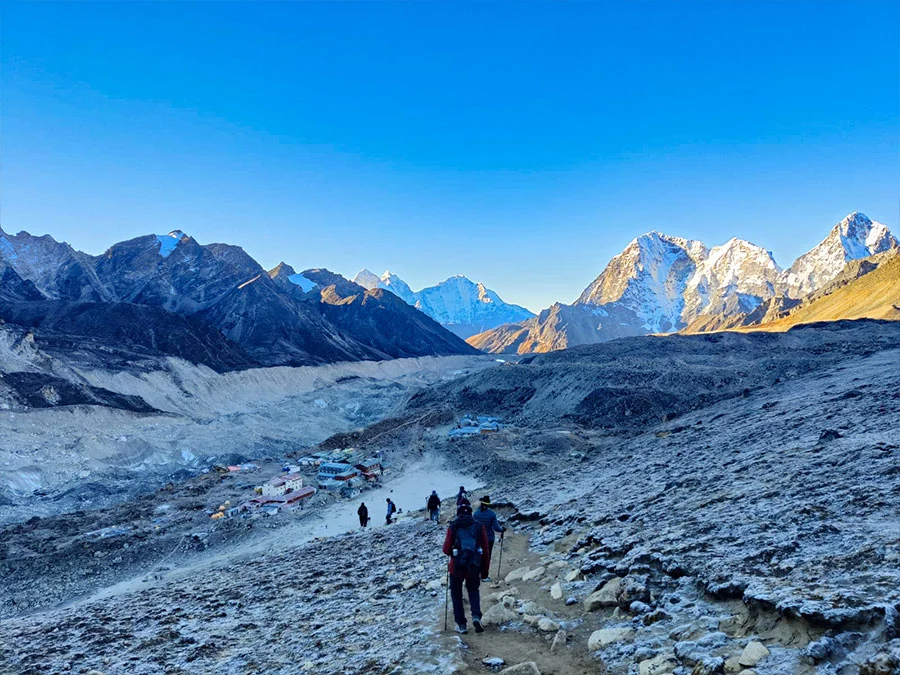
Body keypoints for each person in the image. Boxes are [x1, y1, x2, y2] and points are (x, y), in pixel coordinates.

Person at [442, 503, 490, 634]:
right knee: (473, 590)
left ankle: (461, 625)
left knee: (456, 595)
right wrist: (484, 571)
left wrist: (453, 551)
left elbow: (446, 549)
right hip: (474, 565)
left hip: (456, 567)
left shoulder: (453, 526)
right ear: (471, 513)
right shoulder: (479, 526)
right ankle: (476, 616)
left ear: (458, 514)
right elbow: (485, 549)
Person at [473, 495, 506, 581]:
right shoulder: (492, 514)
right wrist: (502, 529)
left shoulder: (476, 514)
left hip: (478, 538)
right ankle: (484, 576)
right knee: (486, 557)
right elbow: (496, 528)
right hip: (489, 538)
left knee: (477, 556)